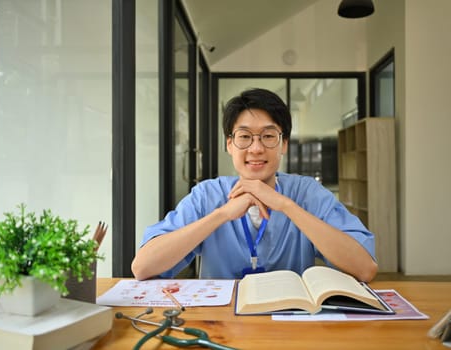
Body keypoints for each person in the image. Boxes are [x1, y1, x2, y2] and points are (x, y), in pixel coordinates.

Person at [131, 88, 378, 282]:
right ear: (229, 144)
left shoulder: (306, 193)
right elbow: (142, 267)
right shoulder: (208, 195)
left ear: (283, 144)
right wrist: (220, 215)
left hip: (290, 323)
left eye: (269, 136)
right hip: (221, 325)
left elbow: (365, 268)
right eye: (245, 136)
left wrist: (285, 205)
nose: (256, 148)